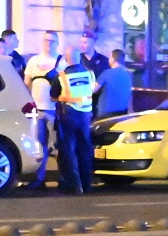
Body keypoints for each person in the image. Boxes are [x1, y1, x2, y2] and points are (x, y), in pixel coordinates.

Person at [54, 42, 99, 194]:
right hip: (86, 116)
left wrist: (62, 97)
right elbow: (92, 92)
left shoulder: (62, 76)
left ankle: (74, 184)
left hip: (69, 115)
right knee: (85, 150)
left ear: (66, 59)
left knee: (68, 150)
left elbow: (53, 96)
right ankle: (86, 184)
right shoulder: (90, 74)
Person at [26, 52, 59, 189]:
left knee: (58, 145)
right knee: (40, 145)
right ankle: (39, 178)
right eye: (46, 41)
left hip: (54, 109)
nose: (48, 43)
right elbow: (26, 82)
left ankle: (63, 178)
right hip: (38, 109)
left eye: (51, 41)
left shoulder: (60, 60)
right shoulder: (34, 60)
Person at [97, 48, 135, 122]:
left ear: (113, 59)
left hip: (106, 115)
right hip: (122, 113)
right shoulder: (129, 74)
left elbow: (93, 89)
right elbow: (130, 94)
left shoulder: (107, 73)